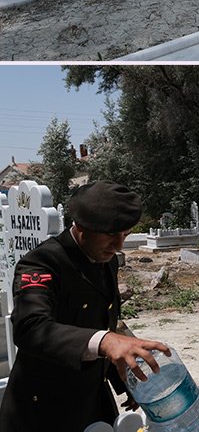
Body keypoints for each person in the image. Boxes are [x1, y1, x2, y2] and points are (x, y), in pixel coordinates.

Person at [0, 182, 171, 432]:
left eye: (124, 235)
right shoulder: (43, 263)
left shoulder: (106, 259)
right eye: (112, 235)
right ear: (81, 228)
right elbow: (30, 328)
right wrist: (106, 342)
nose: (119, 245)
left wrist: (129, 379)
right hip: (44, 411)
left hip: (92, 402)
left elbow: (104, 323)